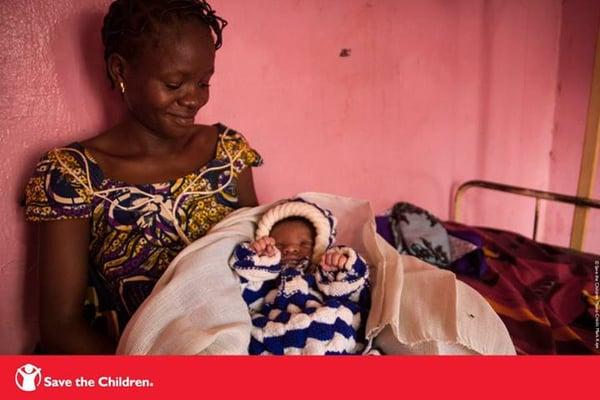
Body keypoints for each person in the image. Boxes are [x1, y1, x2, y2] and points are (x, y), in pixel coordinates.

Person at [23, 0, 262, 354]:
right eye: (174, 83)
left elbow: (262, 259)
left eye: (203, 82)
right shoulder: (73, 174)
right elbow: (61, 326)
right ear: (121, 70)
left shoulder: (228, 152)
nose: (193, 99)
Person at [229, 198, 371, 355]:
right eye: (280, 245)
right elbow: (242, 296)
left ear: (318, 245)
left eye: (304, 244)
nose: (291, 248)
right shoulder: (268, 282)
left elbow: (357, 295)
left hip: (329, 333)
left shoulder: (322, 277)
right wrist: (257, 259)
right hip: (280, 338)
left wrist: (341, 267)